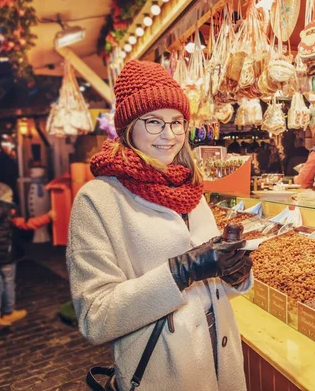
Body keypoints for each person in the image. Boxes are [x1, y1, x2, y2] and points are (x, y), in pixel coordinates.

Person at [66, 60, 252, 391]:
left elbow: (210, 290)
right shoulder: (98, 200)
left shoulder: (190, 189)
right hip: (162, 372)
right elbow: (95, 317)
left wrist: (232, 274)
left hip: (222, 360)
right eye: (153, 122)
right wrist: (182, 271)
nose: (169, 135)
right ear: (128, 128)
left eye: (177, 122)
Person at [0, 181, 54, 330]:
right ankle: (8, 312)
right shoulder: (11, 213)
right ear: (2, 198)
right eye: (9, 197)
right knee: (8, 284)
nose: (11, 200)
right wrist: (48, 217)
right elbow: (28, 224)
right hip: (7, 259)